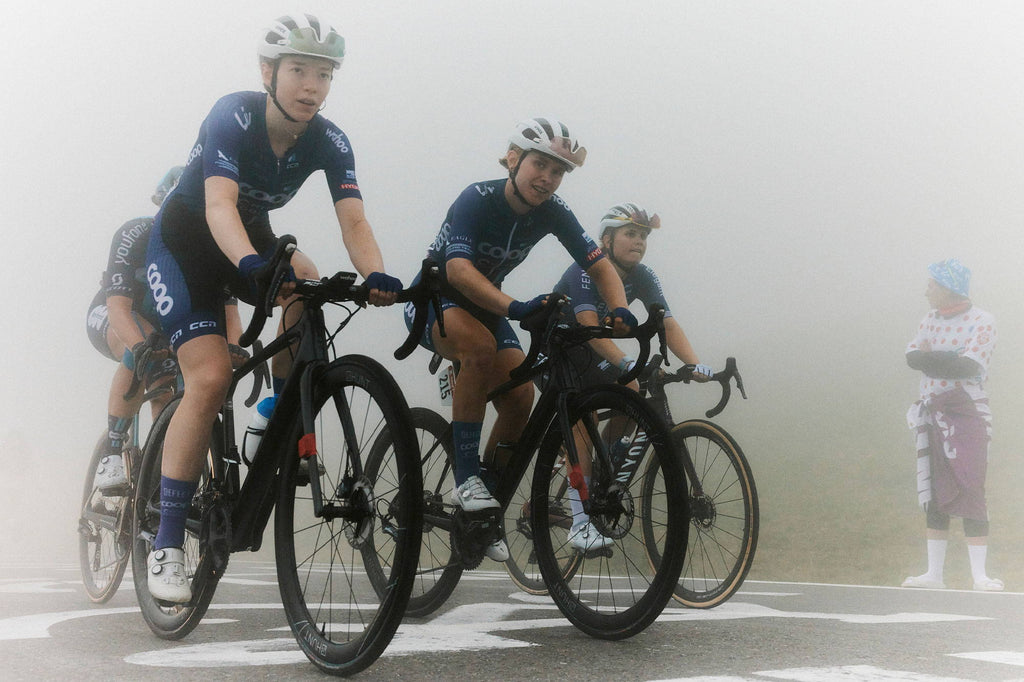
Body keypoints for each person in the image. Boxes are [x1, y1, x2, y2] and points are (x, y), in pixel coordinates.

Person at [143, 13, 402, 603]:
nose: (312, 86)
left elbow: (354, 220)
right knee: (210, 378)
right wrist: (250, 265)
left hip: (248, 237)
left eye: (324, 75)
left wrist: (376, 274)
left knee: (307, 286)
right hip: (186, 245)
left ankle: (272, 414)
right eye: (299, 71)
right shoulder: (232, 115)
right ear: (269, 72)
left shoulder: (330, 140)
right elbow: (218, 206)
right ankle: (166, 542)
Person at [403, 117, 636, 562]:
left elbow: (600, 266)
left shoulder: (553, 211)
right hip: (434, 299)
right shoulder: (477, 198)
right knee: (479, 348)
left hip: (486, 307)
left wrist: (620, 309)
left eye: (558, 171)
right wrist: (515, 307)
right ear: (513, 159)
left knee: (520, 396)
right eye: (539, 165)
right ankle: (466, 479)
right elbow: (458, 271)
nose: (547, 178)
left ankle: (485, 508)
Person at [549, 202, 714, 550]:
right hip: (558, 349)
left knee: (633, 396)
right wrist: (626, 362)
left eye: (643, 236)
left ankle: (600, 474)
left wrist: (694, 364)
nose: (639, 241)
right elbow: (588, 327)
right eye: (630, 233)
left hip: (591, 352)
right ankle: (579, 523)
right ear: (607, 240)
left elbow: (667, 322)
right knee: (586, 416)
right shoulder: (585, 268)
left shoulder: (643, 276)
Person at [902, 258, 1002, 591]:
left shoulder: (982, 320)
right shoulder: (929, 319)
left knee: (971, 484)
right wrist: (949, 357)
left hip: (967, 411)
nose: (926, 291)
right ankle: (934, 574)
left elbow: (969, 366)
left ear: (948, 288)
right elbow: (912, 357)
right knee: (934, 487)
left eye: (932, 285)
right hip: (932, 409)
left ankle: (980, 575)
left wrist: (932, 359)